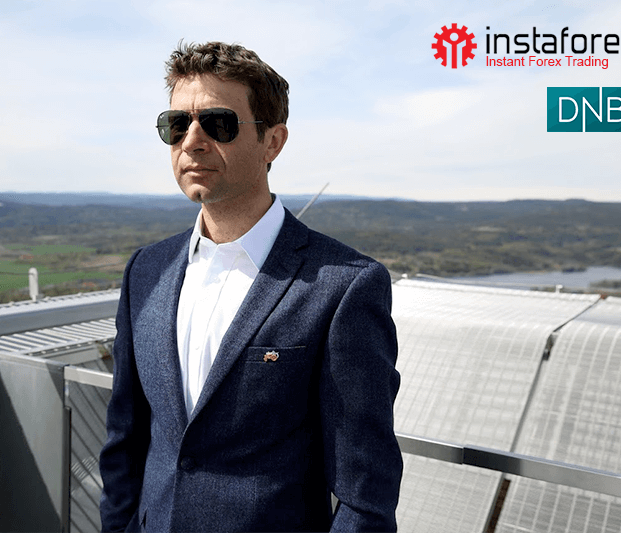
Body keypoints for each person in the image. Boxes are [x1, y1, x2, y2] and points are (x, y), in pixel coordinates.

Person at [99, 41, 402, 533]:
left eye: (218, 123)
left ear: (272, 142)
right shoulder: (146, 271)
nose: (191, 141)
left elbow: (366, 493)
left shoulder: (344, 287)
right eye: (176, 125)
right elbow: (125, 440)